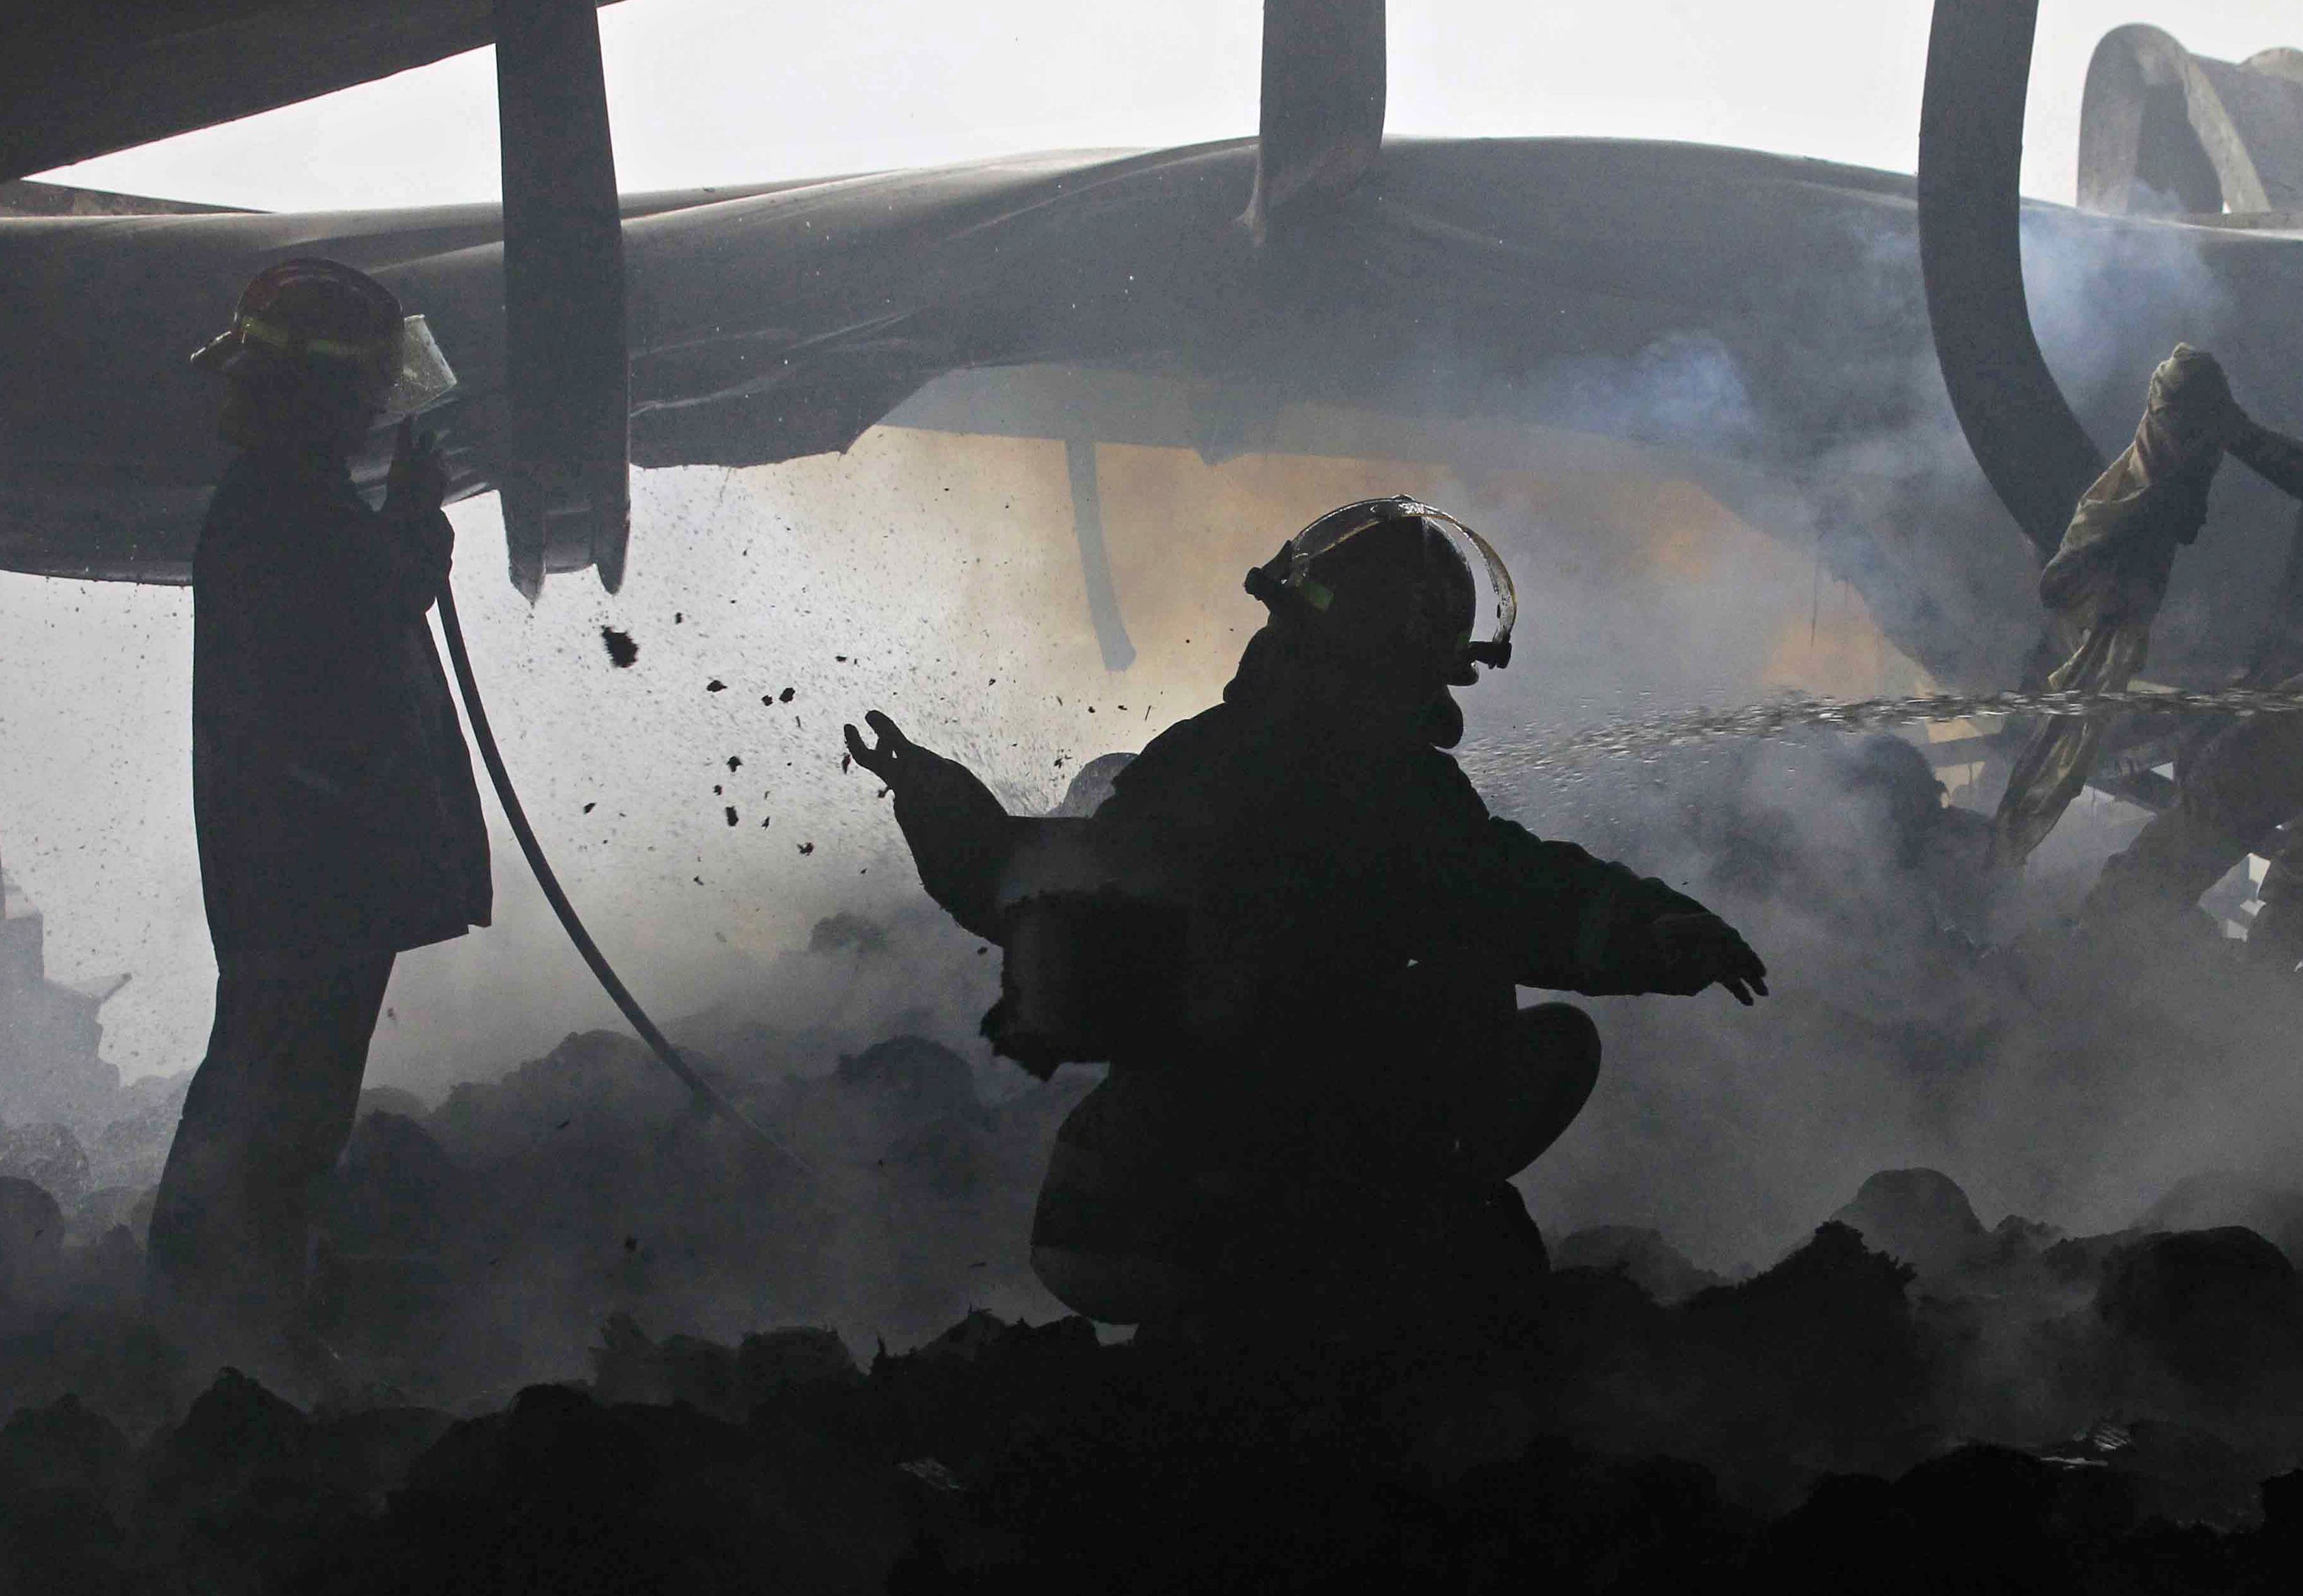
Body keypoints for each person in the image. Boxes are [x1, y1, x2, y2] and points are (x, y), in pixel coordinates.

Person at [847, 497, 1767, 1336]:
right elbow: (1506, 892)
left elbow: (1033, 887)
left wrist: (941, 806)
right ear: (1413, 641)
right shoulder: (1389, 791)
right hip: (1258, 1222)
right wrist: (1650, 927)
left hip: (1102, 1212)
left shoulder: (1191, 761)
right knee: (1530, 1050)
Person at [148, 259, 489, 1386]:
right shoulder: (286, 511)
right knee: (279, 1102)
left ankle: (229, 1320)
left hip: (301, 866)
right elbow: (361, 619)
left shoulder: (283, 498)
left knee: (271, 1085)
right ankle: (231, 1336)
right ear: (332, 400)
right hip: (315, 872)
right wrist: (418, 527)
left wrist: (402, 523)